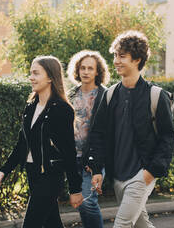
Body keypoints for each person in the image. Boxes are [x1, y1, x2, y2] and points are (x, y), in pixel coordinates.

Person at [89, 31, 174, 228]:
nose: (116, 61)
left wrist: (151, 171)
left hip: (141, 173)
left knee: (122, 225)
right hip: (118, 175)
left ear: (137, 59)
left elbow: (167, 137)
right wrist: (97, 169)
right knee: (141, 225)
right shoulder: (110, 95)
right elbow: (98, 134)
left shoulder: (156, 95)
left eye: (121, 56)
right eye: (115, 55)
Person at [0, 55, 83, 228]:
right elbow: (22, 144)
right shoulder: (31, 106)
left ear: (50, 77)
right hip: (33, 173)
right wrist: (4, 170)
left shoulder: (61, 109)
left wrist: (75, 189)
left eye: (36, 73)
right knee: (52, 223)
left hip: (50, 176)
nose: (31, 77)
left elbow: (69, 151)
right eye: (30, 73)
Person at [67, 50, 110, 228]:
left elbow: (108, 133)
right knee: (81, 204)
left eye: (90, 68)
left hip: (93, 158)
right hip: (71, 158)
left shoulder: (105, 96)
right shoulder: (69, 95)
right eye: (82, 68)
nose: (85, 72)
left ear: (97, 72)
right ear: (77, 70)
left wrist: (97, 162)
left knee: (87, 202)